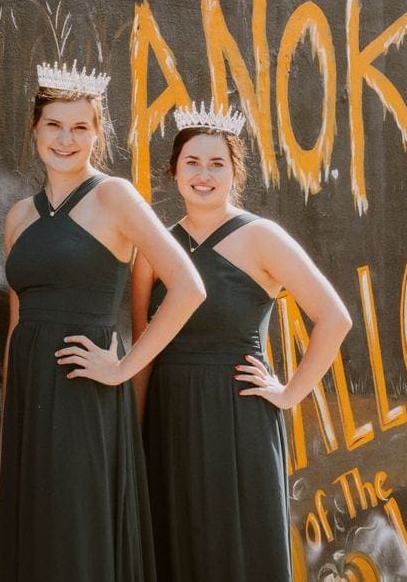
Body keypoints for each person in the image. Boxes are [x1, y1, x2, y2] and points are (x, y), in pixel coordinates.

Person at [122, 100, 352, 581]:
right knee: (174, 547)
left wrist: (289, 393)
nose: (203, 175)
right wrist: (136, 434)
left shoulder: (262, 237)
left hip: (238, 418)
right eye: (192, 163)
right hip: (169, 417)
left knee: (239, 552)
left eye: (216, 164)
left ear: (234, 171)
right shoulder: (154, 247)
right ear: (174, 171)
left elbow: (334, 319)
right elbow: (142, 345)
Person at [0, 62, 206, 581]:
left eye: (81, 127)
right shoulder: (19, 216)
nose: (66, 139)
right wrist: (4, 446)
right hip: (30, 404)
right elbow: (15, 327)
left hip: (85, 397)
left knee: (78, 540)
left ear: (98, 132)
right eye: (54, 126)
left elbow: (188, 287)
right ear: (35, 130)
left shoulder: (114, 196)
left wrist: (122, 368)